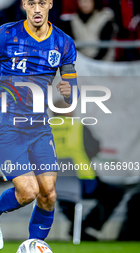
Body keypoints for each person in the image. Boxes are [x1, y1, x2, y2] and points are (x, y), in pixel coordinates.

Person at [0, 0, 79, 250]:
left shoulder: (63, 42)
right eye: (31, 3)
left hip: (40, 127)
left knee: (49, 193)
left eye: (42, 2)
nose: (37, 8)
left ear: (50, 3)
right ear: (23, 5)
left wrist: (69, 91)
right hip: (5, 126)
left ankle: (33, 245)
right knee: (29, 192)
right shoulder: (7, 34)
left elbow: (71, 89)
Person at [51, 100, 125, 241]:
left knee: (66, 199)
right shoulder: (78, 127)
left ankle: (78, 227)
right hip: (83, 182)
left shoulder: (44, 130)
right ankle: (86, 226)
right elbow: (94, 149)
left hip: (52, 184)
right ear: (68, 111)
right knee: (114, 193)